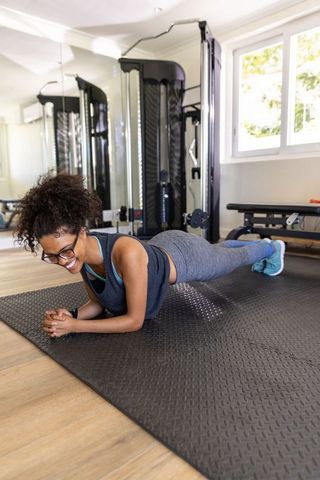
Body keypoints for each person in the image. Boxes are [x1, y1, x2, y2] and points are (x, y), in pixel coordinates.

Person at [15, 173, 285, 338]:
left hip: (186, 258)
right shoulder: (83, 257)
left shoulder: (125, 253)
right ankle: (229, 246)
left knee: (231, 260)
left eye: (65, 252)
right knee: (219, 250)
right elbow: (98, 304)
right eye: (52, 256)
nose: (63, 261)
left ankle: (272, 247)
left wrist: (74, 327)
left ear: (82, 232)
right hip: (160, 247)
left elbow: (134, 321)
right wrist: (71, 315)